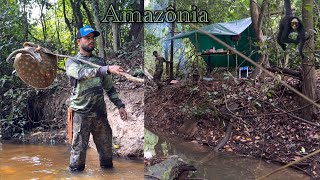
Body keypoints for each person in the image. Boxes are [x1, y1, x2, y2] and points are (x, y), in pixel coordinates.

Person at [65, 25, 128, 171]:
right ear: (78, 41)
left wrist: (119, 105)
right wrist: (106, 69)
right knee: (77, 158)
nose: (91, 41)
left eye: (92, 38)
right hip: (81, 113)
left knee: (107, 156)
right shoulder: (72, 61)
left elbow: (109, 86)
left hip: (100, 114)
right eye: (87, 38)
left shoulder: (100, 62)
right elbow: (80, 74)